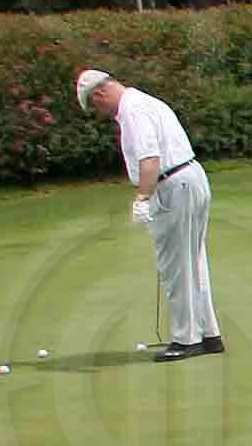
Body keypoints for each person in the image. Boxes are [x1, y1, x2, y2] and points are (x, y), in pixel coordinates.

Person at [74, 68, 222, 359]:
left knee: (176, 266)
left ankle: (186, 339)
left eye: (94, 104)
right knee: (193, 260)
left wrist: (142, 197)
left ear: (101, 93)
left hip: (172, 186)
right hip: (191, 177)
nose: (97, 111)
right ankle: (209, 335)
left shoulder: (132, 111)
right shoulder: (146, 101)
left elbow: (150, 159)